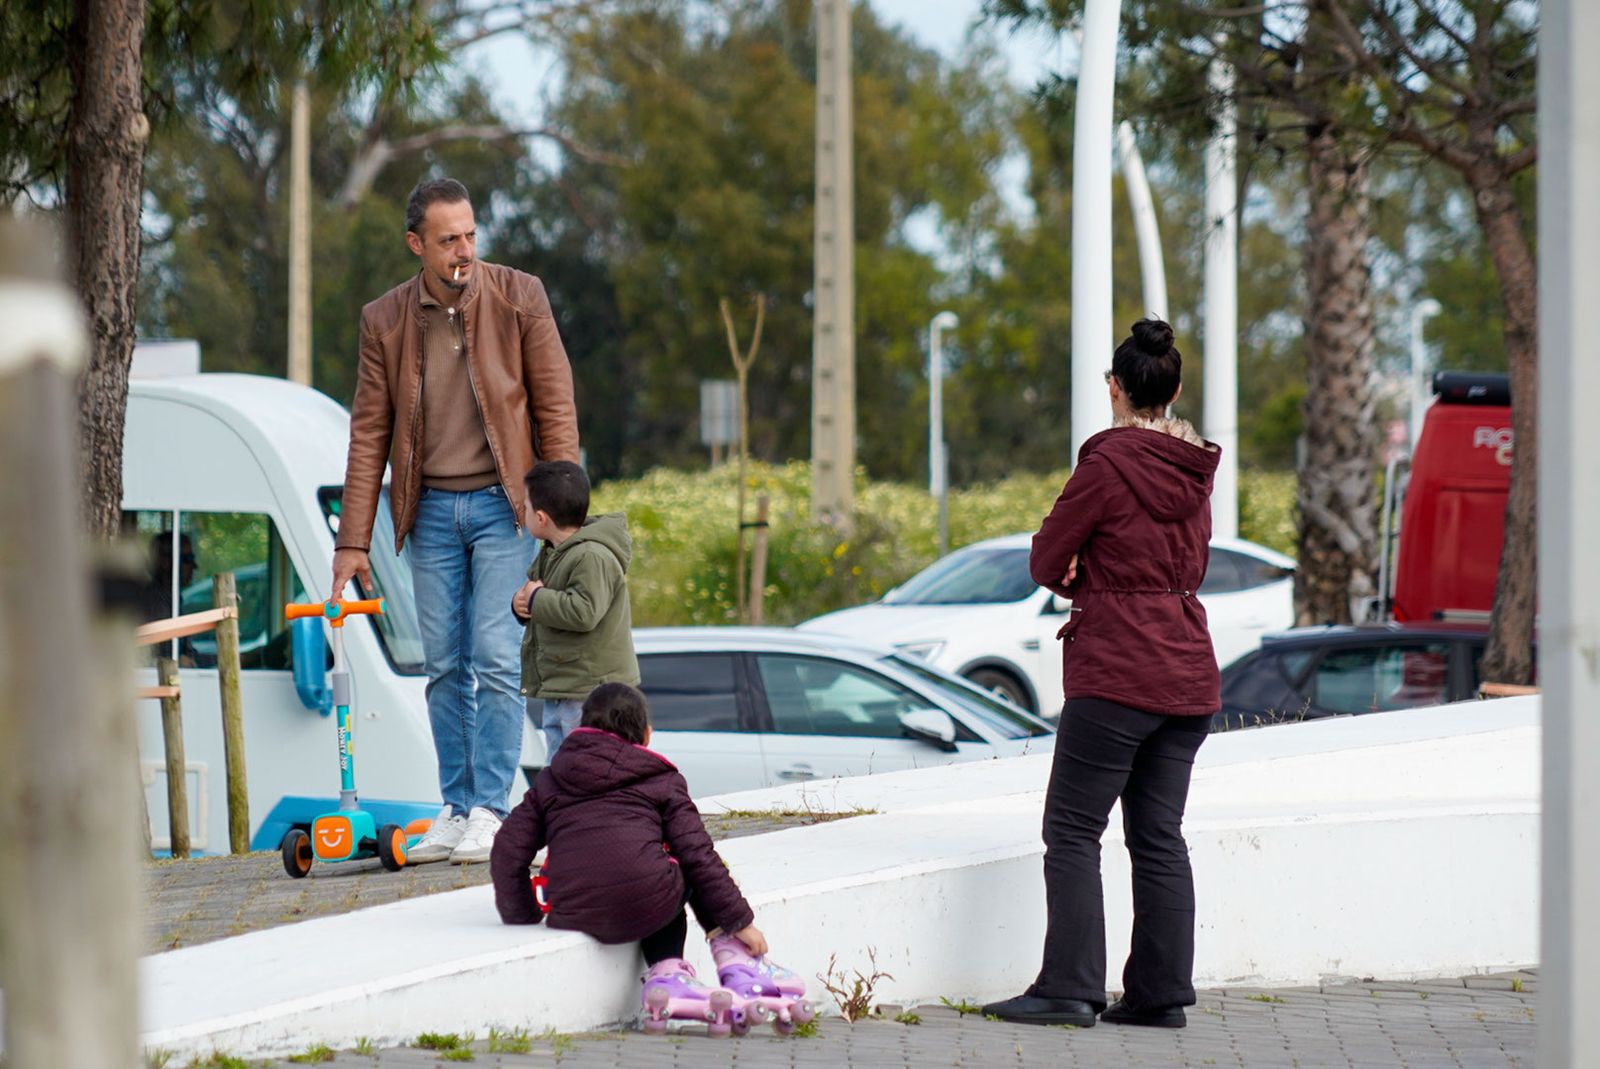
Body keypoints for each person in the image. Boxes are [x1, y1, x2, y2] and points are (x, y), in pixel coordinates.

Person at [332, 177, 580, 865]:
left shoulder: (519, 296)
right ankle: (457, 802)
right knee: (444, 665)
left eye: (470, 235)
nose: (463, 250)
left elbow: (555, 405)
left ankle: (495, 810)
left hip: (506, 508)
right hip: (431, 511)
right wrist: (353, 540)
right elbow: (368, 433)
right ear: (417, 244)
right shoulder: (384, 320)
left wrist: (560, 510)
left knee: (496, 658)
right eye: (448, 240)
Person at [983, 318, 1221, 1029]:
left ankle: (1070, 986)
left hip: (1118, 664)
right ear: (1174, 390)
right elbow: (1192, 563)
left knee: (1073, 828)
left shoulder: (1105, 465)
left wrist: (1084, 576)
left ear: (1115, 389)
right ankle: (1160, 995)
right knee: (1158, 835)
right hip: (1188, 668)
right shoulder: (1198, 471)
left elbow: (1044, 559)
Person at [489, 682, 770, 1017]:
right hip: (647, 902)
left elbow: (507, 848)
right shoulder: (661, 779)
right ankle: (688, 967)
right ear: (647, 735)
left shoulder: (552, 780)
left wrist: (522, 913)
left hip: (571, 911)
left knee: (660, 876)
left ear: (582, 729)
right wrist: (740, 921)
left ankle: (673, 978)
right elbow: (699, 854)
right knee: (679, 866)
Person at [511, 460, 639, 761]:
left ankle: (583, 808)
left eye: (526, 507)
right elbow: (538, 596)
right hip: (563, 682)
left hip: (589, 689)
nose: (524, 512)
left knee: (583, 760)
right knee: (560, 759)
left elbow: (584, 611)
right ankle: (565, 808)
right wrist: (521, 605)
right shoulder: (553, 553)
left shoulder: (591, 555)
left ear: (541, 517)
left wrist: (536, 599)